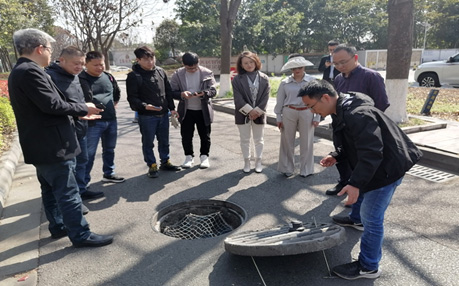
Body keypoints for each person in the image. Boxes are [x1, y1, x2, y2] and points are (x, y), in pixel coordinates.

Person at [298, 79, 422, 280]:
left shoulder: (357, 114)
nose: (312, 112)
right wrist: (337, 155)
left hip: (386, 170)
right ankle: (356, 220)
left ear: (326, 97)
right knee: (365, 209)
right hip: (377, 166)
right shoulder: (341, 109)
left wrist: (355, 184)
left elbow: (371, 153)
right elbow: (353, 143)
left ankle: (368, 267)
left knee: (372, 219)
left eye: (312, 106)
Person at [8, 28, 113, 247]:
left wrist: (81, 110)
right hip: (53, 145)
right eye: (48, 48)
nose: (49, 53)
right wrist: (83, 108)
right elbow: (52, 105)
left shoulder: (21, 70)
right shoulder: (30, 71)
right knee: (68, 192)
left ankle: (57, 226)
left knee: (49, 188)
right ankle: (81, 234)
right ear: (39, 48)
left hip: (41, 144)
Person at [326, 44, 390, 196]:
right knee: (341, 155)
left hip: (362, 128)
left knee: (359, 158)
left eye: (343, 62)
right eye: (336, 64)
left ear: (355, 58)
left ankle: (358, 190)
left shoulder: (371, 76)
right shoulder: (338, 79)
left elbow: (381, 103)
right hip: (341, 126)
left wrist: (366, 123)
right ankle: (344, 182)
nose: (340, 66)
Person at [46, 46, 104, 203]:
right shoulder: (50, 77)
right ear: (62, 60)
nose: (79, 67)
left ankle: (82, 190)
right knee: (69, 167)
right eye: (75, 63)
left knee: (83, 161)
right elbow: (56, 106)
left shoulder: (75, 76)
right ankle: (73, 199)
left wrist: (84, 113)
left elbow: (77, 102)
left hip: (81, 127)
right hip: (65, 132)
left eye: (82, 63)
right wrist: (80, 111)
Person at [126, 46, 180, 178]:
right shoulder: (134, 76)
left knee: (164, 140)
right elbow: (132, 98)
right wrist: (144, 106)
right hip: (147, 116)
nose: (150, 62)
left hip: (163, 115)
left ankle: (165, 161)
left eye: (152, 58)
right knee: (148, 142)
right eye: (146, 59)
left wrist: (172, 109)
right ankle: (152, 165)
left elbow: (168, 92)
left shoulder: (161, 72)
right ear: (138, 60)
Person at [79, 51, 125, 186]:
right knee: (89, 154)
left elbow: (116, 93)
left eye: (102, 64)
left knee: (110, 149)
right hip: (92, 122)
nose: (100, 67)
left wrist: (112, 106)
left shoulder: (108, 77)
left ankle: (109, 173)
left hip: (111, 120)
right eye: (95, 65)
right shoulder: (80, 79)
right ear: (86, 64)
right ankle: (83, 184)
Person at [274, 54, 320, 177]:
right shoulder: (285, 83)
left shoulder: (312, 81)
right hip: (289, 111)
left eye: (299, 67)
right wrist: (279, 117)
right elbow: (280, 102)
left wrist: (317, 117)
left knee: (307, 141)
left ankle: (306, 170)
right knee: (287, 141)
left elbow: (317, 100)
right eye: (294, 68)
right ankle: (287, 168)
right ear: (290, 69)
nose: (297, 70)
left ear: (304, 66)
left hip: (307, 111)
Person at [170, 52, 217, 169]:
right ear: (183, 64)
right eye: (188, 68)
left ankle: (204, 157)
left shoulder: (206, 73)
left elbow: (213, 91)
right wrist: (181, 94)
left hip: (203, 109)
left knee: (205, 135)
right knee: (186, 135)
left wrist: (204, 93)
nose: (192, 70)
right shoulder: (178, 74)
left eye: (195, 67)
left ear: (198, 62)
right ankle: (188, 157)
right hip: (186, 110)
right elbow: (171, 92)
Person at [231, 51, 270, 173]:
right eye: (245, 63)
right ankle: (247, 161)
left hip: (259, 113)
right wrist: (249, 111)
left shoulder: (264, 78)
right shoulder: (237, 79)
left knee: (259, 139)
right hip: (242, 114)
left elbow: (265, 97)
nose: (249, 65)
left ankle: (258, 161)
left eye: (251, 62)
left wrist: (257, 111)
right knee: (245, 139)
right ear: (241, 65)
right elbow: (238, 98)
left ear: (256, 61)